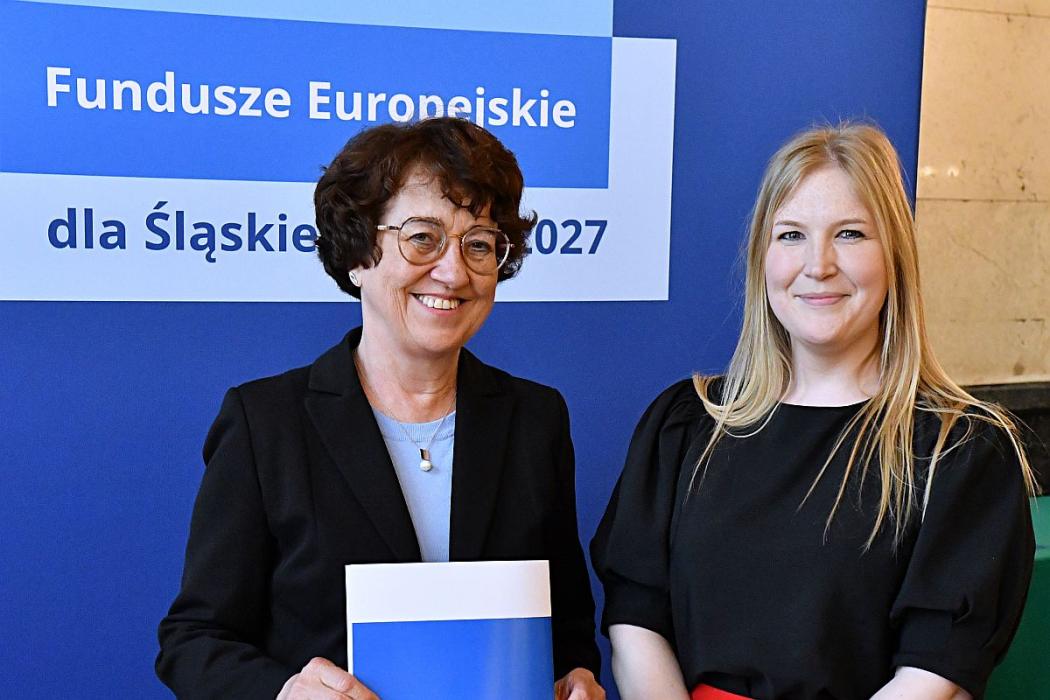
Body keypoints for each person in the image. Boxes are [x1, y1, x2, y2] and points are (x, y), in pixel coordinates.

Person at [157, 117, 604, 700]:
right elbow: (194, 640)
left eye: (478, 244)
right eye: (423, 238)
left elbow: (566, 626)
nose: (453, 271)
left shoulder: (536, 419)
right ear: (357, 251)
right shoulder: (265, 423)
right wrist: (283, 693)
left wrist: (575, 677)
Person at [591, 123, 1037, 700]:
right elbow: (636, 620)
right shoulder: (687, 424)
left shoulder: (961, 450)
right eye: (792, 235)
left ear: (895, 255)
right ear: (762, 257)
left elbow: (935, 673)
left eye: (850, 234)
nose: (818, 264)